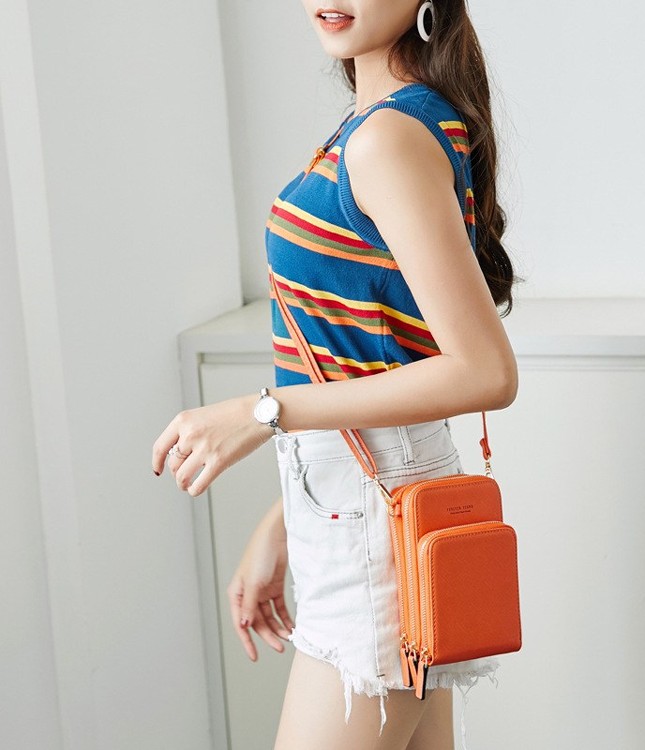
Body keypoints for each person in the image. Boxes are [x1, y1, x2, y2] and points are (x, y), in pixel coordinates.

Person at [152, 1, 520, 748]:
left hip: (373, 531)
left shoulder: (388, 137)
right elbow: (372, 359)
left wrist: (261, 413)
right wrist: (284, 522)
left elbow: (485, 371)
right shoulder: (387, 123)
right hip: (368, 505)